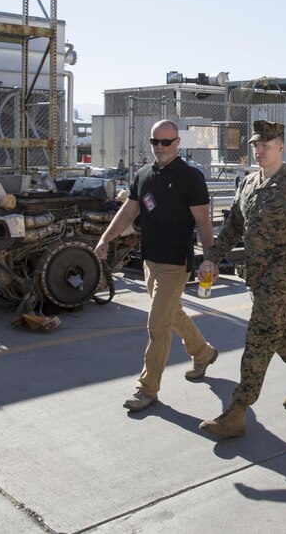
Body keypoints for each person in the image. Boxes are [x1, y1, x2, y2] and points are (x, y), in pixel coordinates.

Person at [199, 120, 286, 439]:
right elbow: (233, 225)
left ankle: (237, 411)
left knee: (259, 336)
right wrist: (211, 258)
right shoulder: (248, 183)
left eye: (266, 145)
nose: (259, 151)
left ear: (281, 147)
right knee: (280, 330)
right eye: (256, 146)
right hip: (255, 274)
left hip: (282, 274)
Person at [95, 120, 219, 413]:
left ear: (178, 143)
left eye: (167, 142)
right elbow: (128, 211)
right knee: (171, 313)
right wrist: (105, 238)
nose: (161, 148)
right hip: (150, 260)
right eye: (155, 142)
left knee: (157, 325)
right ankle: (203, 352)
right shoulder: (143, 175)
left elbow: (203, 220)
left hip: (176, 263)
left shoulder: (191, 177)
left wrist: (209, 257)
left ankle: (147, 389)